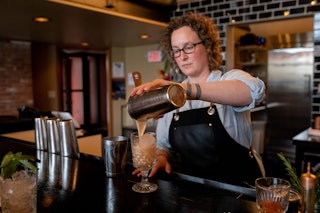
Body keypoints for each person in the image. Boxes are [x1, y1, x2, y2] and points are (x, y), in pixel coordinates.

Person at [130, 12, 266, 186]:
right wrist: (161, 158)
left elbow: (253, 91)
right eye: (177, 50)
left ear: (207, 46)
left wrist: (182, 90)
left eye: (189, 47)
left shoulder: (227, 80)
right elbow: (163, 145)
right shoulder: (171, 97)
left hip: (239, 192)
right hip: (194, 191)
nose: (183, 56)